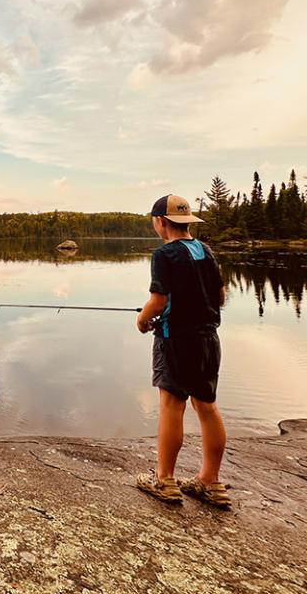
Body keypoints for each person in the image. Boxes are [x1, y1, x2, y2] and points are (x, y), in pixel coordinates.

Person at [134, 194, 231, 508]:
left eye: (155, 222)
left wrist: (143, 318)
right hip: (208, 340)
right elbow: (220, 297)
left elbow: (158, 301)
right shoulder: (205, 250)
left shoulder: (164, 255)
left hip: (175, 340)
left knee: (172, 406)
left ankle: (165, 480)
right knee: (207, 407)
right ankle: (210, 482)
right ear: (186, 221)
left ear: (161, 222)